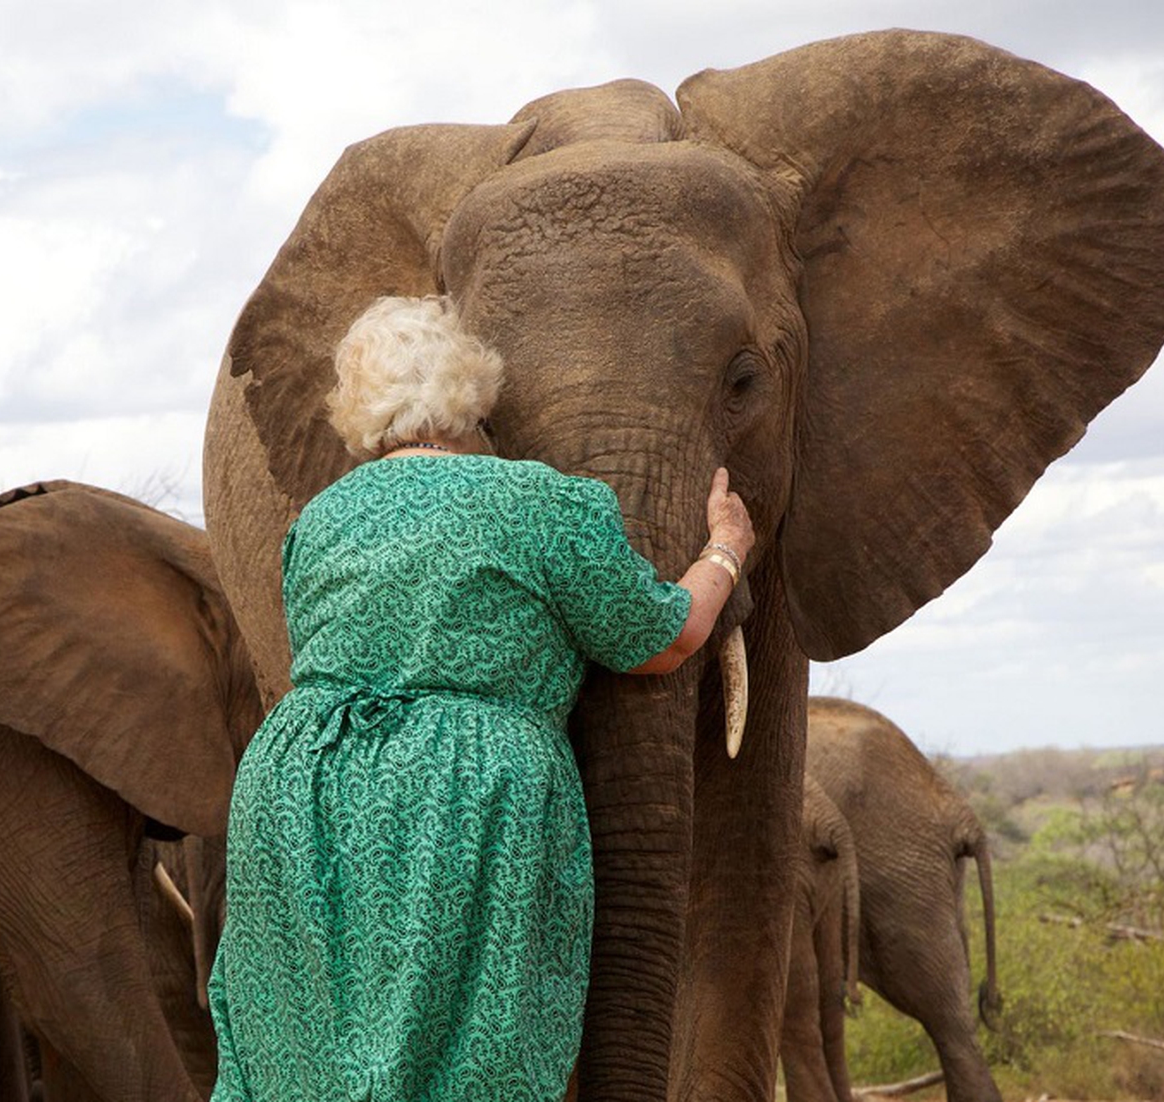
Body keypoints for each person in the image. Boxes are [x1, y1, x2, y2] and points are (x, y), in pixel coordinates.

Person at [207, 294, 756, 1101]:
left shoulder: (319, 520)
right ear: (474, 394)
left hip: (301, 790)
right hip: (464, 792)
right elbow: (660, 638)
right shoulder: (538, 503)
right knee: (470, 1057)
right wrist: (725, 551)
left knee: (307, 1055)